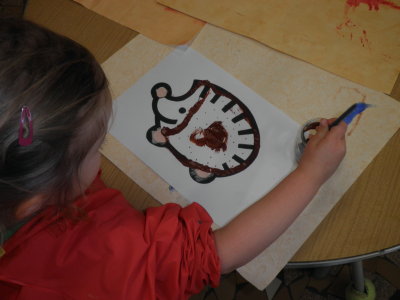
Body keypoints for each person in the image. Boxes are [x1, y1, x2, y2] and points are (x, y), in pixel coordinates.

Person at [0, 18, 347, 300]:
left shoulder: (25, 185)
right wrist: (311, 174)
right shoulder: (106, 261)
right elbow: (219, 253)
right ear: (38, 198)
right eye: (97, 144)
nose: (104, 146)